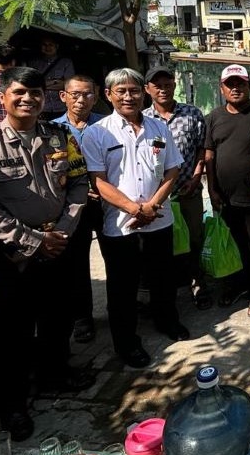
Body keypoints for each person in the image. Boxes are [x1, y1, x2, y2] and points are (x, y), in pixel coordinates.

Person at [0, 67, 94, 441]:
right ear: (3, 97)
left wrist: (63, 231)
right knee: (12, 331)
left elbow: (79, 183)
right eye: (19, 92)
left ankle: (56, 373)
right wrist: (34, 241)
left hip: (58, 247)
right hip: (12, 256)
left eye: (35, 93)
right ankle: (12, 403)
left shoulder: (59, 136)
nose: (28, 99)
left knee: (58, 317)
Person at [82, 68, 188, 368]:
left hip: (160, 216)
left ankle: (167, 321)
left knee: (163, 277)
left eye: (134, 90)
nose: (129, 96)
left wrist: (152, 205)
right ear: (109, 95)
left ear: (144, 93)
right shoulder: (97, 132)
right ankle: (127, 343)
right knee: (122, 286)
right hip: (120, 224)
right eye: (122, 91)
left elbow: (173, 169)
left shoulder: (158, 128)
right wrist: (133, 208)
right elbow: (98, 181)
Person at [204, 64, 250, 315]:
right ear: (222, 88)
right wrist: (212, 189)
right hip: (225, 197)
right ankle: (235, 287)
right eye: (230, 84)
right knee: (232, 245)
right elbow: (209, 154)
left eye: (240, 83)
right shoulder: (213, 117)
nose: (235, 88)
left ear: (249, 86)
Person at [144, 67, 212, 310]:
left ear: (174, 85)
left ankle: (197, 282)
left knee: (194, 238)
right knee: (162, 243)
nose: (163, 88)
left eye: (167, 83)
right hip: (156, 195)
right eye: (157, 84)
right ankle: (166, 289)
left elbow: (201, 150)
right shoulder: (143, 119)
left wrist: (196, 178)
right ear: (148, 89)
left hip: (187, 190)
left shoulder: (192, 114)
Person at [53, 74, 105, 342]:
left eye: (87, 94)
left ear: (96, 97)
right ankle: (83, 317)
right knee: (77, 264)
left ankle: (123, 306)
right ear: (64, 96)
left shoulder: (107, 126)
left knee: (119, 257)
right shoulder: (52, 130)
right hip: (73, 208)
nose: (81, 99)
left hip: (107, 204)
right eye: (75, 94)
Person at [26, 34, 74, 118]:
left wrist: (42, 85)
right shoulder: (33, 63)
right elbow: (32, 84)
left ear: (56, 46)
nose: (47, 47)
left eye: (50, 45)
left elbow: (69, 85)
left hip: (61, 107)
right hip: (42, 108)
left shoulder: (66, 63)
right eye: (44, 45)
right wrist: (56, 82)